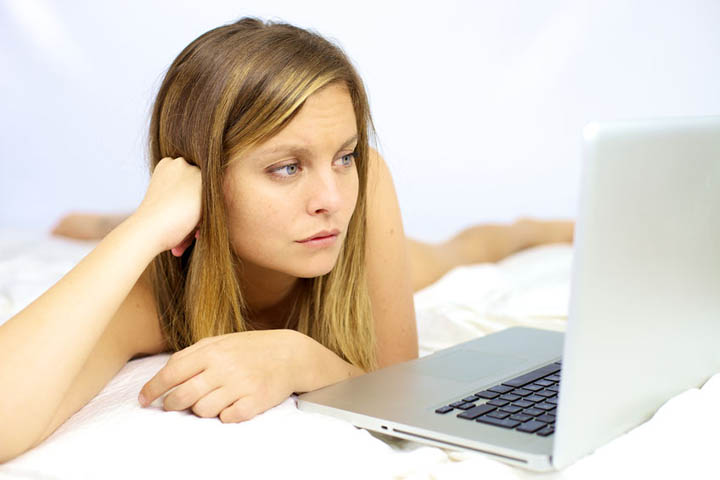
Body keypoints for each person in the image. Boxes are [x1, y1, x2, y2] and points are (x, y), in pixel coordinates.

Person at [0, 17, 573, 463]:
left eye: (343, 156)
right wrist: (143, 226)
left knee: (451, 255)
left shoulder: (360, 193)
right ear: (201, 177)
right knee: (116, 227)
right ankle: (109, 220)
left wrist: (302, 359)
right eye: (286, 168)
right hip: (182, 227)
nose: (332, 198)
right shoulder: (152, 288)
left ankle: (526, 228)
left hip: (331, 248)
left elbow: (396, 380)